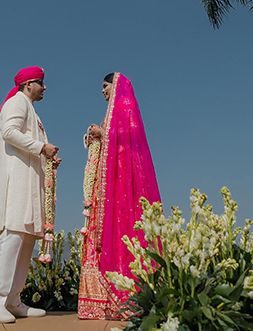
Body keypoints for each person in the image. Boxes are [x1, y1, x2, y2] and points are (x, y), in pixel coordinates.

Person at [78, 72, 161, 320]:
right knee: (99, 230)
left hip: (122, 181)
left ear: (116, 86)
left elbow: (132, 138)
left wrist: (103, 135)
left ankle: (124, 295)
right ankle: (98, 300)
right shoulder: (110, 113)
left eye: (105, 87)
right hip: (107, 182)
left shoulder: (125, 106)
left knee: (122, 230)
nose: (103, 92)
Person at [0, 66, 61, 324]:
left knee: (26, 238)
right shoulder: (17, 103)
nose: (44, 88)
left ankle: (13, 301)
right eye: (41, 83)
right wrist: (41, 147)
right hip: (16, 183)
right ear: (28, 84)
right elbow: (9, 132)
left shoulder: (31, 109)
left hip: (29, 185)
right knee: (13, 237)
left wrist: (47, 157)